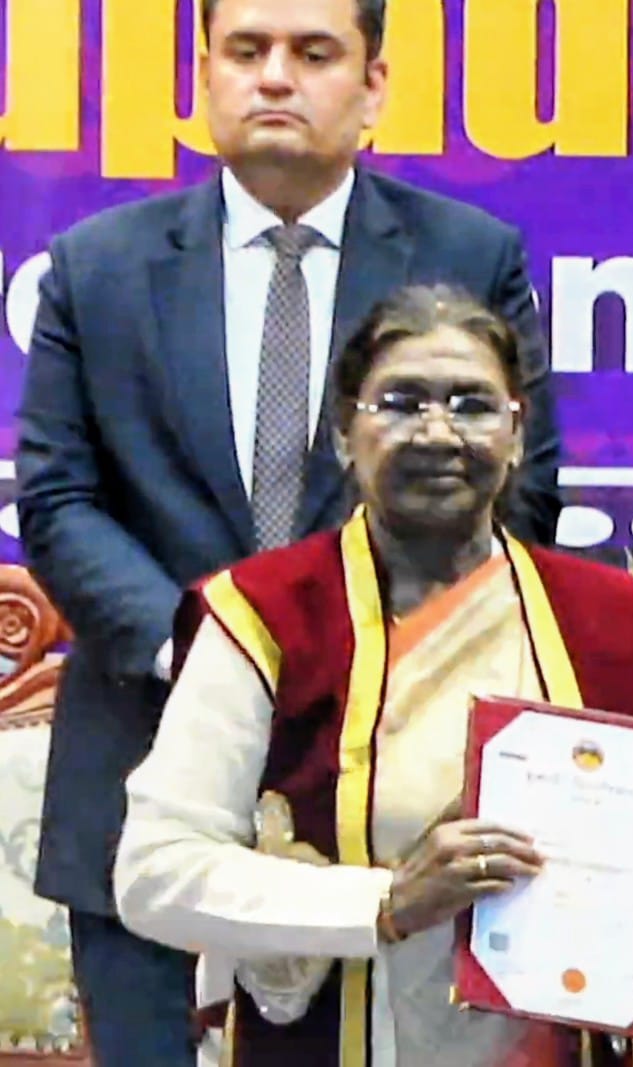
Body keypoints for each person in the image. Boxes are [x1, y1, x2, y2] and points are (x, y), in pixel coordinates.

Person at [17, 0, 561, 1059]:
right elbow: (59, 499)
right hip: (141, 757)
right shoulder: (96, 266)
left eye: (313, 54)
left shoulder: (467, 253)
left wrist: (358, 655)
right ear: (204, 77)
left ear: (373, 86)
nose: (275, 77)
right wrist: (218, 655)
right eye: (247, 51)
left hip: (398, 792)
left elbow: (521, 490)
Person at [112, 286, 633, 1067]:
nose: (438, 432)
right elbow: (155, 873)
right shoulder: (263, 615)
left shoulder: (629, 626)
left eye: (473, 405)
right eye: (400, 403)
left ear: (517, 435)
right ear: (343, 434)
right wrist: (386, 901)